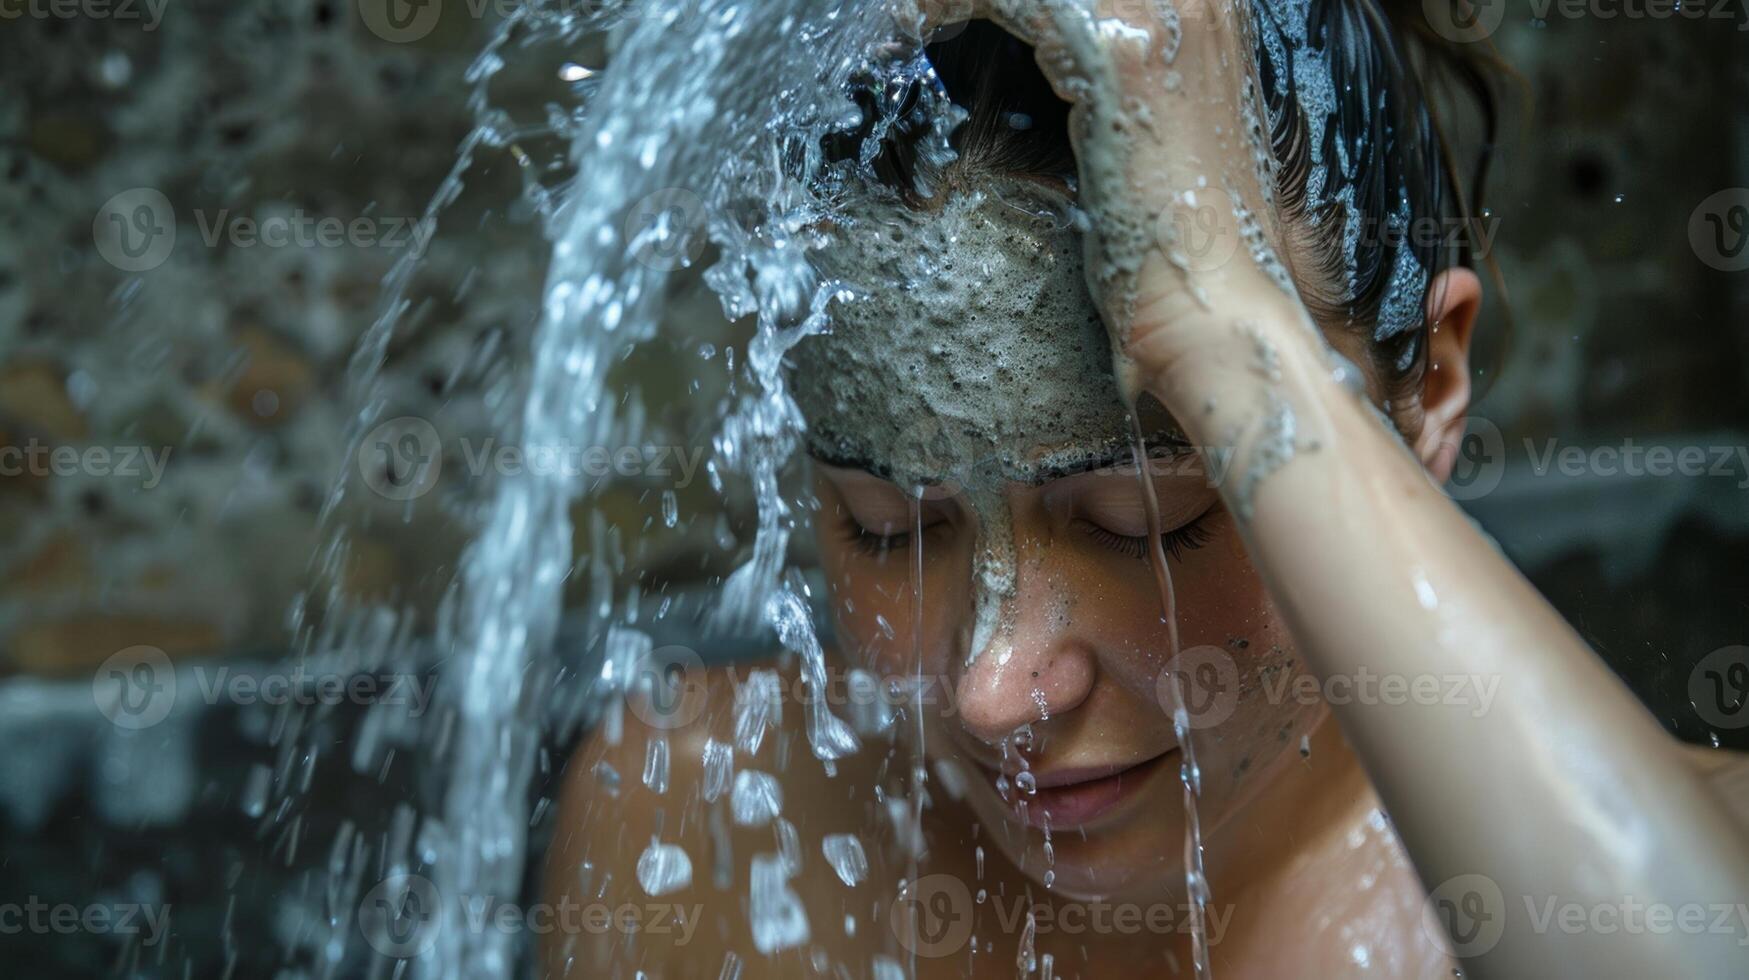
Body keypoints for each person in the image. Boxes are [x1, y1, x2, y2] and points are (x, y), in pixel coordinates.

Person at [543, 5, 1749, 977]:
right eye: (890, 526)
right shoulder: (701, 822)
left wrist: (1223, 327)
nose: (992, 687)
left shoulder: (1689, 869)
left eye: (1148, 523)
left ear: (1422, 389)